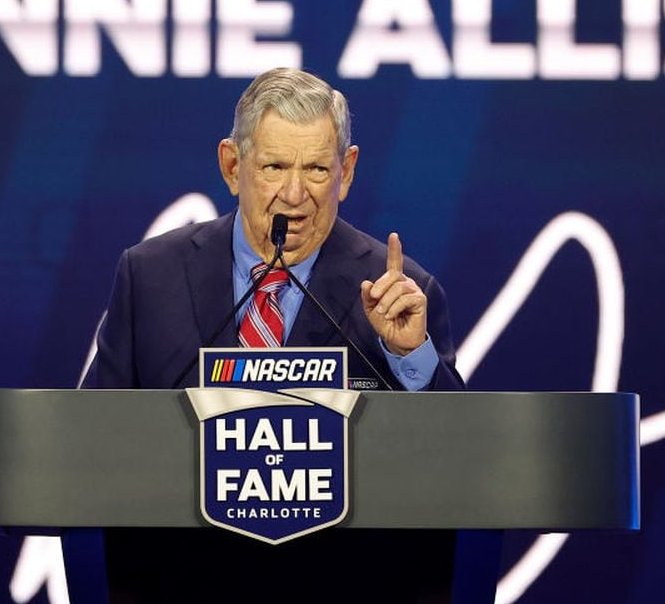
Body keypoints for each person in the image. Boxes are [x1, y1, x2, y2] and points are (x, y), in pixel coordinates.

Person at [87, 67, 464, 391]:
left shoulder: (397, 294)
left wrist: (409, 356)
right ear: (232, 166)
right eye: (275, 168)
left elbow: (458, 450)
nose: (295, 194)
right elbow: (93, 433)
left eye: (317, 169)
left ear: (345, 172)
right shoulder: (150, 276)